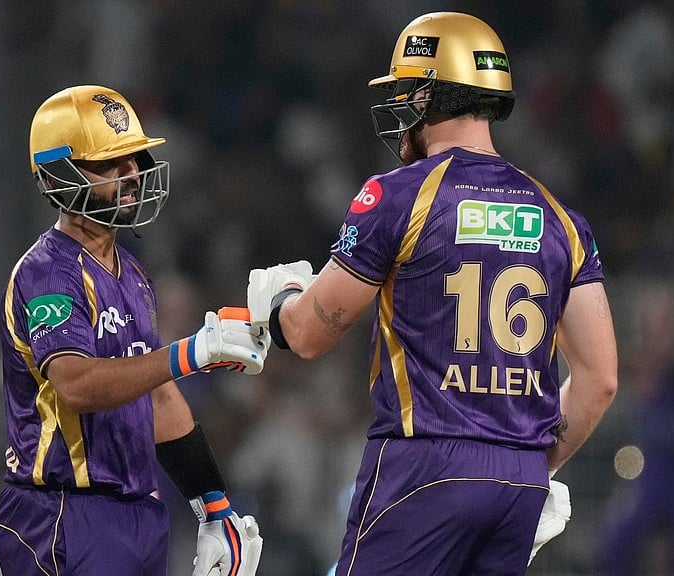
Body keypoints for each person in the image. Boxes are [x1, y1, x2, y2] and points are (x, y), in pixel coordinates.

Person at [247, 12, 617, 575]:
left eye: (404, 91)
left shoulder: (396, 196)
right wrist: (533, 465)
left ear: (425, 95)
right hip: (518, 478)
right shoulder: (562, 218)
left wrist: (277, 306)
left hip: (423, 466)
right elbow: (600, 380)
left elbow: (309, 334)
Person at [0, 85, 266, 576]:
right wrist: (192, 353)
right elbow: (75, 384)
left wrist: (213, 506)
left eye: (134, 158)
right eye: (109, 163)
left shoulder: (133, 274)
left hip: (137, 512)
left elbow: (157, 398)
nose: (132, 174)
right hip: (64, 511)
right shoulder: (47, 274)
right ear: (61, 175)